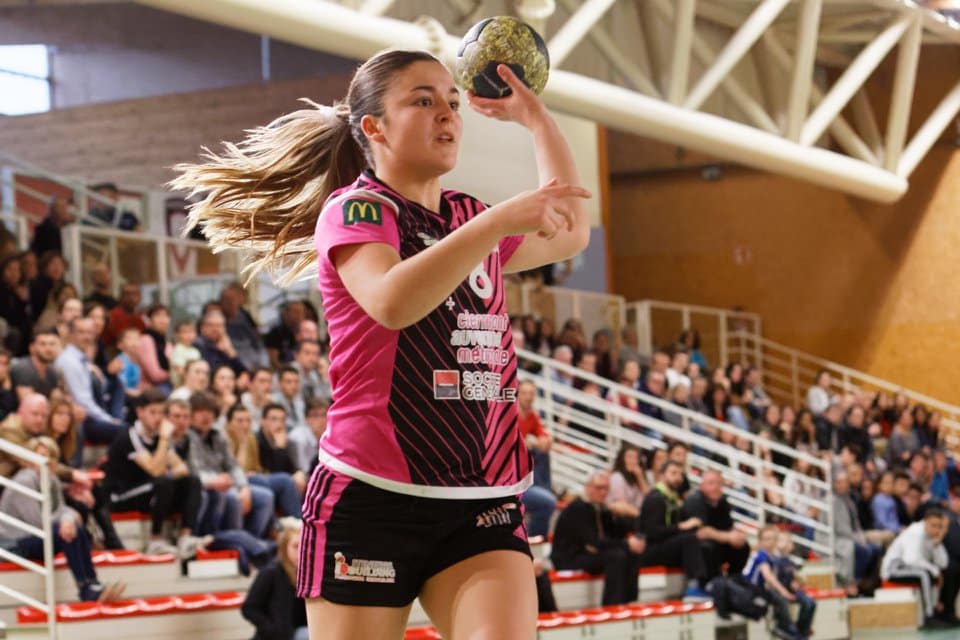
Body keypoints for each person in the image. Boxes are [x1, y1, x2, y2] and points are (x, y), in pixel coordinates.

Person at [171, 49, 591, 638]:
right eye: (422, 101)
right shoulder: (357, 210)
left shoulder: (468, 215)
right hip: (371, 496)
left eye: (451, 101)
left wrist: (538, 120)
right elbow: (392, 302)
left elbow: (571, 230)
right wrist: (495, 225)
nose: (445, 114)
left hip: (480, 497)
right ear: (373, 127)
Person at [0, 436, 125, 602]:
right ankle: (86, 589)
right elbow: (38, 524)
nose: (48, 461)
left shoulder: (50, 479)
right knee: (64, 530)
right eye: (42, 456)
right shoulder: (25, 481)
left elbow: (62, 510)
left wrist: (68, 519)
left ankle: (92, 584)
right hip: (12, 544)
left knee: (74, 529)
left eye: (51, 456)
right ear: (29, 459)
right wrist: (67, 520)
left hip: (32, 539)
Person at [102, 389, 207, 558]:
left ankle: (186, 536)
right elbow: (156, 470)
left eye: (161, 412)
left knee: (192, 481)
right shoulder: (130, 436)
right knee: (164, 482)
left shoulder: (158, 436)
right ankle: (155, 540)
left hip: (149, 490)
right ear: (140, 412)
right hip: (122, 495)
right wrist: (165, 441)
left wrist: (168, 467)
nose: (158, 418)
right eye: (153, 412)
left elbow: (182, 468)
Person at [550, 471, 646, 605]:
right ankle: (612, 605)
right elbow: (594, 542)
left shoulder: (601, 508)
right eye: (598, 488)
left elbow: (614, 535)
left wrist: (624, 515)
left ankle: (630, 601)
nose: (603, 492)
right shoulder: (577, 508)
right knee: (616, 556)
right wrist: (627, 543)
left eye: (606, 488)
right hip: (569, 558)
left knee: (631, 554)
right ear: (588, 487)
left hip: (589, 554)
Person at [636, 460, 709, 600]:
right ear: (662, 476)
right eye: (673, 473)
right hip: (652, 549)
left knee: (703, 542)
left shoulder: (674, 498)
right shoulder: (655, 498)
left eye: (680, 474)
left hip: (666, 545)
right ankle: (694, 586)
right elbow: (653, 532)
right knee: (689, 539)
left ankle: (709, 583)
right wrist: (682, 526)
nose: (678, 478)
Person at [881, 506, 960, 629]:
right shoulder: (915, 532)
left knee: (951, 570)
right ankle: (929, 617)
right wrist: (935, 571)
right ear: (925, 522)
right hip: (894, 569)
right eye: (933, 525)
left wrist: (938, 542)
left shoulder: (932, 535)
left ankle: (944, 613)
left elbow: (943, 563)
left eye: (939, 526)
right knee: (925, 574)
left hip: (913, 568)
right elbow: (911, 560)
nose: (936, 529)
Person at [242, 518, 309, 640]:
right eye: (295, 546)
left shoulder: (307, 573)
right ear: (284, 547)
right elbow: (249, 608)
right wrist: (272, 629)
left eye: (304, 546)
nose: (300, 552)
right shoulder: (270, 572)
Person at [681, 470, 750, 581]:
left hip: (717, 542)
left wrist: (737, 536)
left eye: (719, 483)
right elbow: (701, 532)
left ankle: (733, 578)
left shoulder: (722, 502)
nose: (716, 487)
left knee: (742, 546)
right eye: (711, 483)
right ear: (702, 485)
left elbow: (729, 526)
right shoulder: (695, 500)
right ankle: (707, 583)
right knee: (707, 547)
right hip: (692, 547)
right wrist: (728, 537)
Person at [742, 525, 804, 640]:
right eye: (766, 539)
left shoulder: (771, 557)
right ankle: (784, 628)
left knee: (779, 598)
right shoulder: (761, 555)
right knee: (780, 599)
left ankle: (787, 628)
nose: (769, 542)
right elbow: (768, 576)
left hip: (759, 588)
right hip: (750, 588)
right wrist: (783, 591)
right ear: (760, 541)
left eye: (772, 539)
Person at [774, 531, 817, 640]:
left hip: (791, 591)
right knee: (805, 602)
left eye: (789, 541)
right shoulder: (774, 559)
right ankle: (795, 630)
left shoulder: (789, 561)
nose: (787, 544)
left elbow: (793, 578)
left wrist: (797, 583)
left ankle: (803, 629)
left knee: (811, 602)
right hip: (780, 592)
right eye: (783, 541)